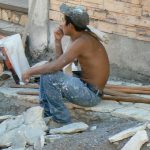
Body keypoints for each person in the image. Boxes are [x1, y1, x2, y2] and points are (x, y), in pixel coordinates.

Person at [22, 3, 110, 124]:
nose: (61, 23)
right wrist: (58, 41)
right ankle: (47, 112)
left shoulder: (82, 41)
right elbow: (60, 63)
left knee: (49, 75)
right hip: (85, 86)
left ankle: (62, 121)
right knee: (46, 72)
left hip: (91, 95)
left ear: (71, 25)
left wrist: (29, 72)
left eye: (63, 20)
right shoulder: (80, 36)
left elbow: (57, 66)